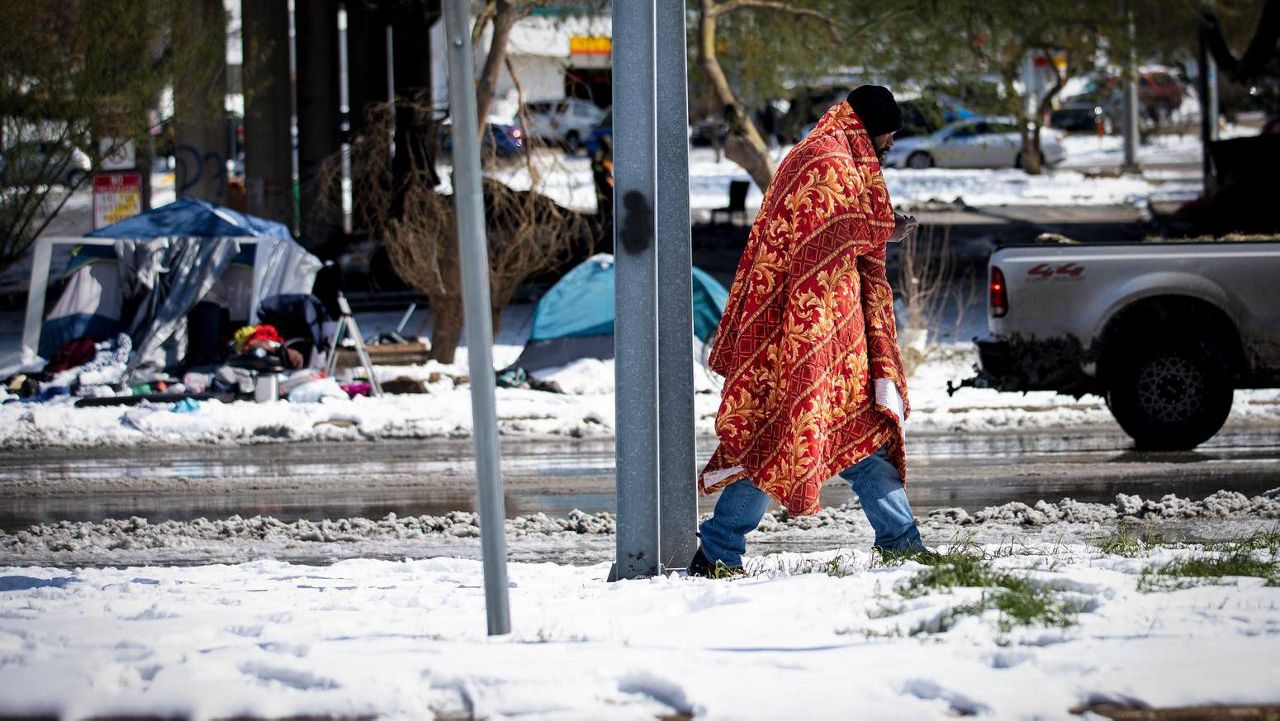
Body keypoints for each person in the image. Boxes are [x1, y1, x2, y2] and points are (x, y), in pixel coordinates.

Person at [689, 85, 923, 577]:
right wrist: (885, 229)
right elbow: (824, 233)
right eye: (890, 134)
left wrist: (881, 226)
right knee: (781, 439)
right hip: (802, 332)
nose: (891, 145)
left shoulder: (839, 154)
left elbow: (841, 227)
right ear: (872, 125)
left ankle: (901, 542)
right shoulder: (825, 158)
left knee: (857, 436)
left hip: (835, 331)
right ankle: (717, 553)